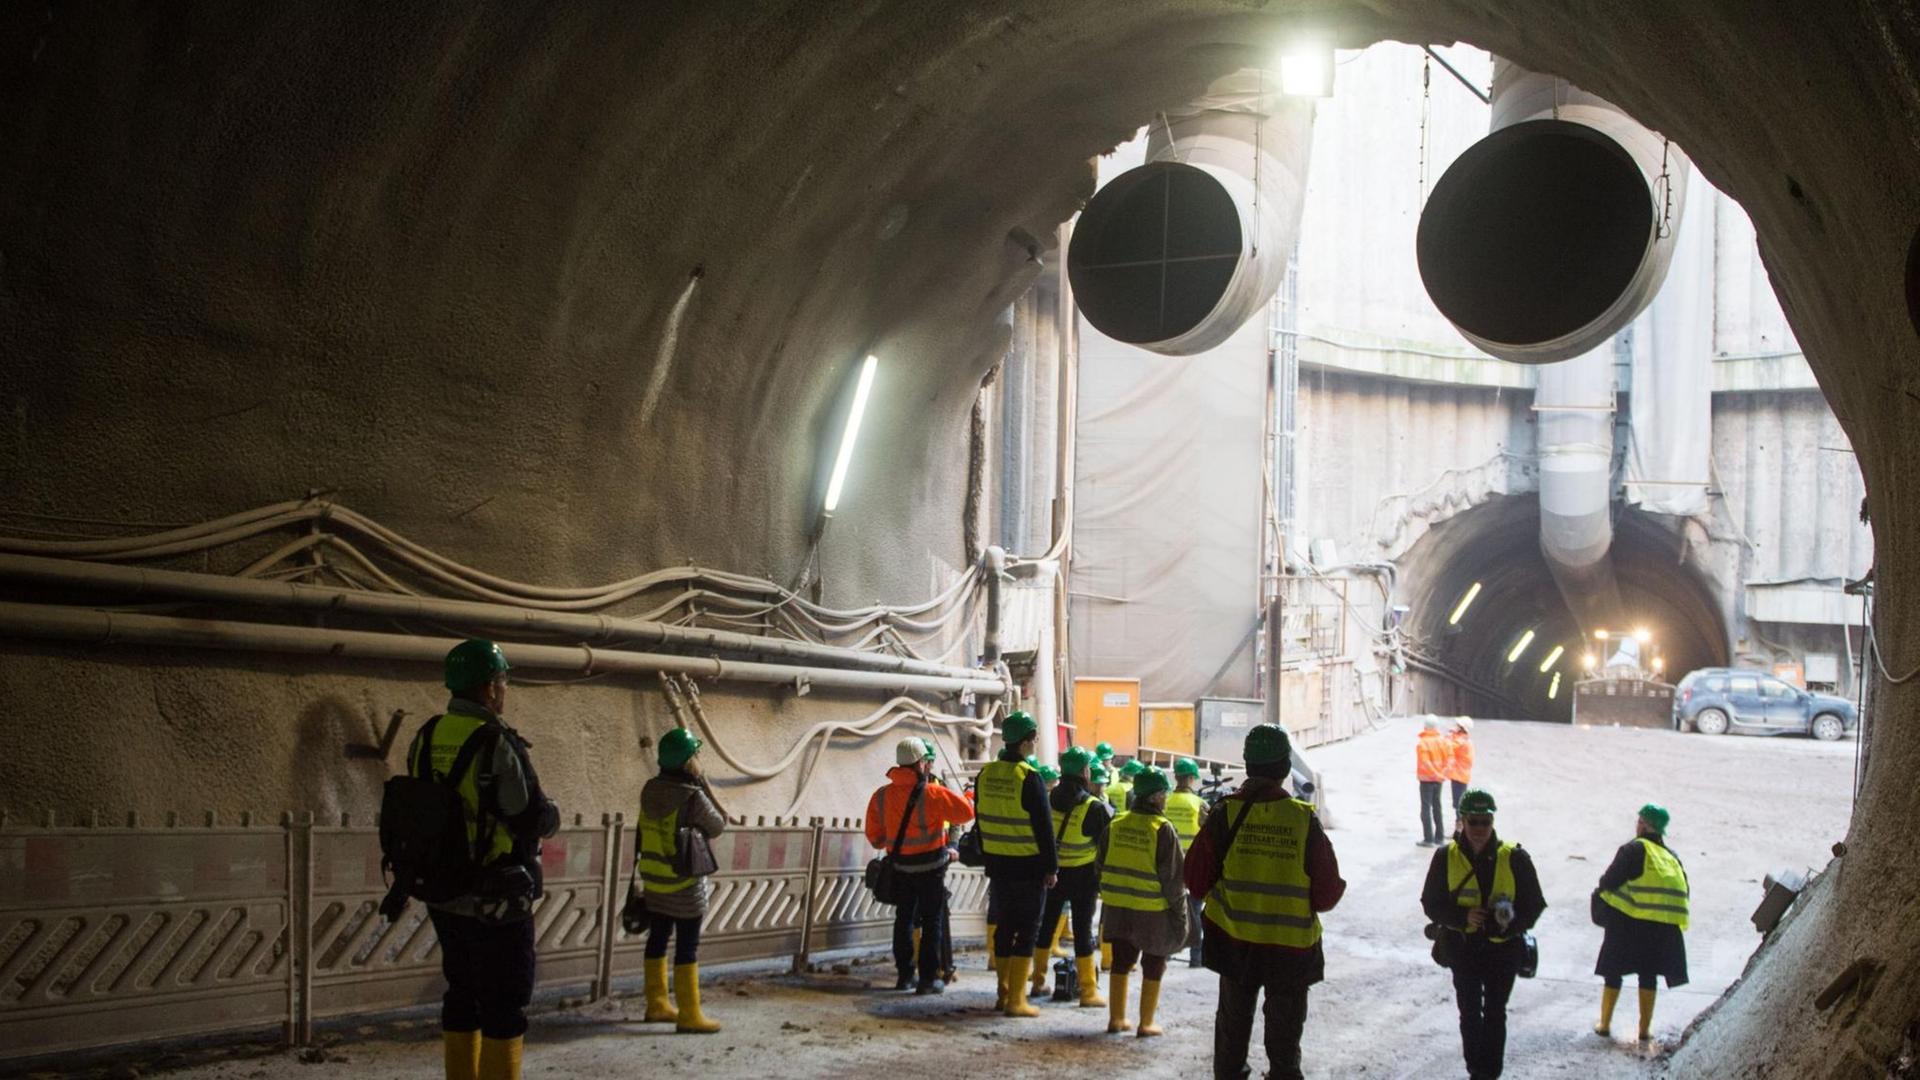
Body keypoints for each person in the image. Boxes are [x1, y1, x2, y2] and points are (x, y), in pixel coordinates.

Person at [406, 640, 560, 1080]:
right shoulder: (497, 742)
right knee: (505, 1002)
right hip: (495, 896)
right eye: (502, 679)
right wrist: (553, 816)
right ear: (489, 688)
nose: (505, 688)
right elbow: (528, 815)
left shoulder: (427, 736)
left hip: (443, 889)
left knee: (461, 991)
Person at [1186, 724, 1344, 1080]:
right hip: (1290, 952)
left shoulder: (1224, 815)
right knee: (1285, 1049)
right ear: (1285, 768)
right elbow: (1327, 894)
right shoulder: (1303, 820)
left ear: (1247, 764)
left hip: (1235, 945)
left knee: (1231, 1039)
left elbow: (1195, 881)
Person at [1421, 788, 1546, 1080]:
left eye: (1484, 822)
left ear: (1492, 822)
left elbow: (1534, 904)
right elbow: (1431, 903)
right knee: (1469, 1012)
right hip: (1462, 948)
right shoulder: (1445, 856)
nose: (1479, 828)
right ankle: (1476, 1069)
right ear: (1462, 820)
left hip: (1503, 950)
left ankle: (1488, 1073)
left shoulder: (1514, 857)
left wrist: (1508, 925)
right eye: (1473, 821)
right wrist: (1462, 917)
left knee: (1494, 1012)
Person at [636, 726, 728, 1034]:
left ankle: (657, 1004)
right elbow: (717, 826)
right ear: (689, 761)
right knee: (687, 947)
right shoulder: (692, 796)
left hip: (654, 880)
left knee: (657, 940)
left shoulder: (649, 789)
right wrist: (701, 785)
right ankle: (689, 1013)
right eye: (696, 754)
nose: (699, 757)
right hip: (684, 885)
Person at [866, 737, 976, 993]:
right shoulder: (934, 794)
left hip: (900, 869)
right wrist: (970, 793)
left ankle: (905, 976)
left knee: (903, 919)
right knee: (932, 922)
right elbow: (966, 813)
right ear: (921, 764)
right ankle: (929, 979)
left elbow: (875, 837)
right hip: (931, 869)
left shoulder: (881, 796)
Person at [1097, 765, 1188, 1037]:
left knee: (1121, 961)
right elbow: (1173, 878)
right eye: (1164, 793)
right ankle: (1146, 1023)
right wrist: (1180, 911)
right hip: (1152, 909)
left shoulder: (1116, 823)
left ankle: (1116, 1019)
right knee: (1154, 961)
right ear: (1155, 797)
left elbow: (1098, 864)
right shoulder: (1162, 829)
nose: (1166, 798)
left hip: (1117, 906)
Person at [978, 710, 1058, 1017]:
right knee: (1027, 929)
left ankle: (1003, 994)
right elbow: (1044, 828)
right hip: (1027, 867)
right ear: (1025, 742)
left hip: (998, 866)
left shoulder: (986, 774)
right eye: (1034, 737)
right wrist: (1051, 868)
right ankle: (1017, 1001)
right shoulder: (1028, 777)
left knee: (1004, 927)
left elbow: (982, 819)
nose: (1036, 741)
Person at [1592, 803, 1690, 1042]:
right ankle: (1644, 1030)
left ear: (1644, 825)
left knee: (1613, 971)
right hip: (1661, 929)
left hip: (1627, 922)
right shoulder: (1672, 858)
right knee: (1648, 974)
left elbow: (1609, 880)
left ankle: (1604, 1024)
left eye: (1639, 821)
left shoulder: (1633, 850)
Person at [1034, 746, 1113, 1006]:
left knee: (1046, 926)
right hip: (1083, 877)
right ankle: (1088, 991)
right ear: (1085, 772)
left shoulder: (1047, 798)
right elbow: (1106, 844)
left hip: (1052, 874)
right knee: (1081, 930)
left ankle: (1037, 981)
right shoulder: (1094, 807)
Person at [1165, 758, 1209, 967]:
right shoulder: (1200, 804)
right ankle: (1196, 957)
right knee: (1195, 910)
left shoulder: (1165, 801)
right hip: (1193, 864)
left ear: (1176, 777)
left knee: (1170, 909)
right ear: (1191, 778)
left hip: (1170, 863)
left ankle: (1164, 952)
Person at [1416, 718, 1451, 846]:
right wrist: (1442, 774)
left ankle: (1428, 839)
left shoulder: (1423, 743)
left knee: (1426, 808)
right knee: (1437, 807)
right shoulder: (1444, 742)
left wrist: (1435, 774)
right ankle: (1440, 837)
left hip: (1426, 780)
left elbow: (1425, 762)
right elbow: (1450, 759)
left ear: (1425, 727)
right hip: (1439, 780)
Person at [1446, 718, 1475, 825]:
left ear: (1462, 728)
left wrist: (1450, 734)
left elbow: (1448, 746)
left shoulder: (1462, 742)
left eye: (1457, 725)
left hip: (1460, 775)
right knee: (1458, 803)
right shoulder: (1463, 740)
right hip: (1460, 775)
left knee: (1459, 803)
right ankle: (1460, 827)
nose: (1455, 726)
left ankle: (1461, 828)